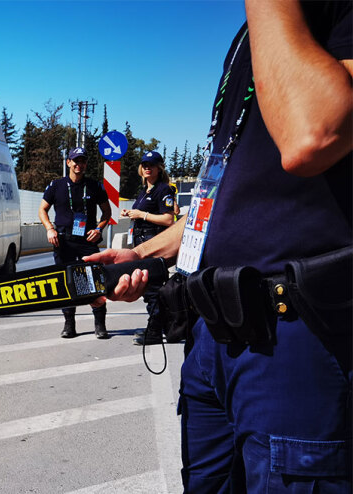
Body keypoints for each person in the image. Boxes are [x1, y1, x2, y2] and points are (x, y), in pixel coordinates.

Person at [84, 1, 352, 491]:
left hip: (293, 336)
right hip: (211, 332)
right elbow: (216, 198)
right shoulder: (249, 35)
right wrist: (141, 254)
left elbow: (313, 133)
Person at [39, 146, 112, 339]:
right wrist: (49, 228)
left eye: (83, 161)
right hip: (63, 241)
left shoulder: (94, 186)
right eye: (76, 161)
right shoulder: (56, 185)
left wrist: (99, 229)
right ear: (68, 162)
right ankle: (69, 324)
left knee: (94, 281)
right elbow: (42, 209)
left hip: (87, 240)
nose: (79, 164)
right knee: (67, 282)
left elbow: (107, 212)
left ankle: (100, 324)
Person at [120, 151, 175, 345]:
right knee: (150, 289)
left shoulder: (163, 189)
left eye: (151, 165)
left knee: (152, 289)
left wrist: (142, 215)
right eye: (144, 165)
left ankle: (154, 332)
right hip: (142, 242)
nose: (147, 168)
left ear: (159, 168)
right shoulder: (145, 190)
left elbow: (168, 219)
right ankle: (163, 328)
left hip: (153, 243)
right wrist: (131, 213)